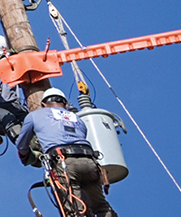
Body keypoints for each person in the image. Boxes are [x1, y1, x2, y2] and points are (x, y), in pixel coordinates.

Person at [18, 88, 118, 217]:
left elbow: (21, 144)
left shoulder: (34, 115)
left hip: (64, 163)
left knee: (74, 211)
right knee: (101, 207)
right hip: (89, 162)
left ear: (44, 104)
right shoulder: (78, 119)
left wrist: (26, 155)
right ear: (66, 105)